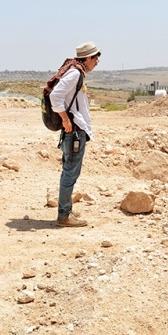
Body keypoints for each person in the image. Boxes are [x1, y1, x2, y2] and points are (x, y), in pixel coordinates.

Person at [48, 42, 101, 227]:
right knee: (70, 173)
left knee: (69, 171)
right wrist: (65, 119)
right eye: (95, 58)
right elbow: (55, 96)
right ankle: (64, 216)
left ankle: (66, 210)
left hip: (76, 131)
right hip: (75, 132)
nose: (97, 62)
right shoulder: (76, 73)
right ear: (87, 58)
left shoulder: (77, 72)